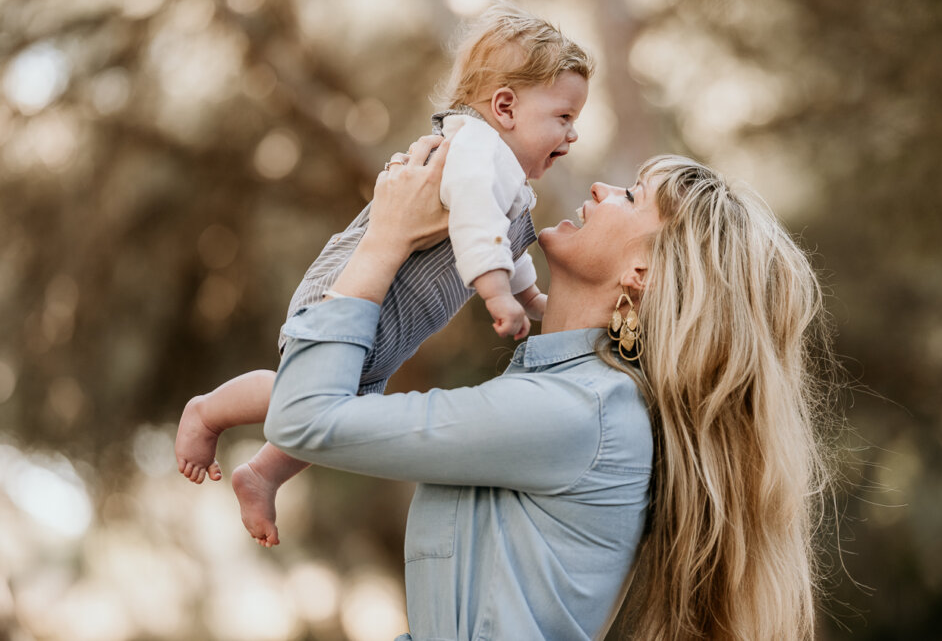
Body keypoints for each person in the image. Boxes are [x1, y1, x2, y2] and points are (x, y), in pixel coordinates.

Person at [264, 135, 836, 640]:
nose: (601, 188)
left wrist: (386, 239)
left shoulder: (581, 412)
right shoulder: (574, 397)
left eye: (631, 196)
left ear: (642, 274)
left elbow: (306, 419)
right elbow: (328, 412)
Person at [174, 2, 593, 546]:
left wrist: (530, 295)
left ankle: (262, 473)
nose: (573, 135)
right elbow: (475, 220)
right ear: (506, 107)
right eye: (563, 117)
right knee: (299, 388)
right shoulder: (474, 149)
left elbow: (506, 244)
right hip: (350, 294)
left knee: (341, 409)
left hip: (390, 323)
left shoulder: (508, 179)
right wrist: (497, 295)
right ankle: (208, 413)